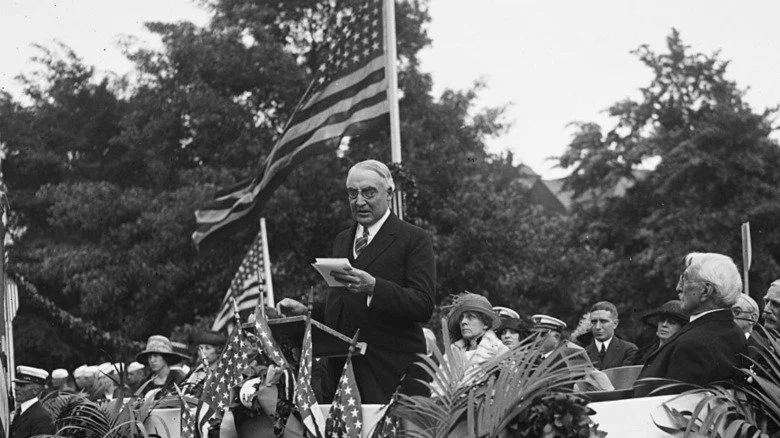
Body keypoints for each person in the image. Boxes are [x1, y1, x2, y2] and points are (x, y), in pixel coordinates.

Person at [277, 160, 436, 404]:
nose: (359, 201)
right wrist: (308, 311)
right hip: (343, 378)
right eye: (353, 193)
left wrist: (375, 287)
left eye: (368, 192)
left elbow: (423, 305)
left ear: (389, 193)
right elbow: (344, 305)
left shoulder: (414, 239)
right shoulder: (343, 239)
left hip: (392, 378)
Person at [634, 252, 748, 397]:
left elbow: (678, 409)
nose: (678, 288)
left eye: (685, 280)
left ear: (705, 291)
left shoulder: (693, 344)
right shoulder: (734, 332)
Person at [531, 315, 613, 392]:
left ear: (556, 337)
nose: (537, 339)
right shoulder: (532, 359)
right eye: (535, 335)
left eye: (542, 334)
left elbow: (598, 383)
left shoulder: (570, 355)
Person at [448, 293, 508, 369]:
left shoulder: (499, 350)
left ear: (485, 324)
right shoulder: (453, 352)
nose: (463, 322)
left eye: (470, 317)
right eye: (461, 318)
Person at [584, 301, 639, 370]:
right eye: (594, 322)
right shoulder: (583, 354)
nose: (597, 327)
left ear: (615, 324)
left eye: (603, 321)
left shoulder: (629, 350)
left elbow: (626, 379)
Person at [10, 366, 56, 437]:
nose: (16, 388)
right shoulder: (21, 411)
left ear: (35, 391)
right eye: (16, 384)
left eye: (21, 385)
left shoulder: (42, 418)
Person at [185, 330, 227, 397]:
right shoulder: (194, 371)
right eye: (200, 348)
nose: (203, 352)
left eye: (207, 348)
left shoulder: (222, 373)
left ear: (219, 351)